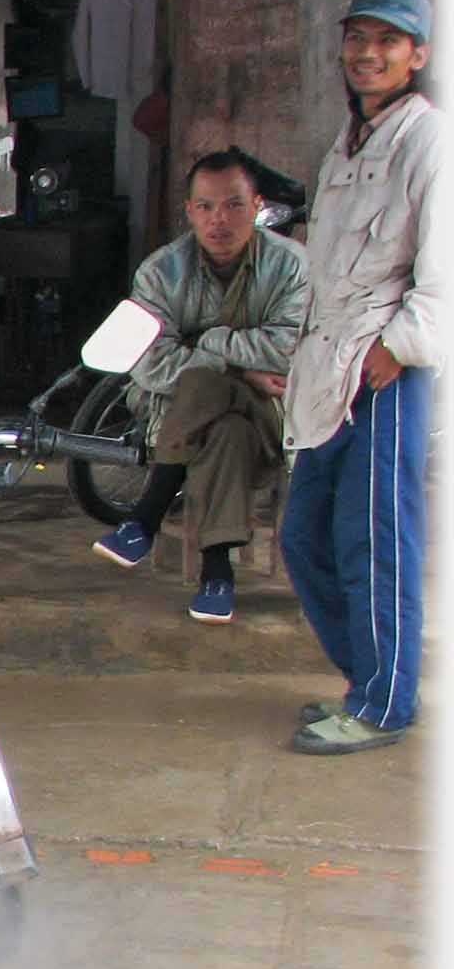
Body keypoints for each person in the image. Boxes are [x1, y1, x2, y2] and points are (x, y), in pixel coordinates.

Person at [280, 0, 441, 755]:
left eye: (388, 41)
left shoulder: (428, 141)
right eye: (358, 38)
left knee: (372, 541)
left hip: (385, 370)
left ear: (419, 56)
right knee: (305, 534)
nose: (368, 53)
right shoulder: (346, 144)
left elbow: (439, 273)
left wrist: (397, 348)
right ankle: (373, 679)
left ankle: (383, 704)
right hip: (328, 369)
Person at [89, 150, 310, 622]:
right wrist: (241, 369)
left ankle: (144, 518)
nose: (219, 221)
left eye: (233, 205)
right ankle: (217, 574)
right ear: (189, 211)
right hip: (186, 413)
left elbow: (289, 346)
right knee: (223, 425)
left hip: (272, 412)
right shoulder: (160, 272)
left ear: (257, 206)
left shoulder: (291, 265)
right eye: (205, 207)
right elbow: (148, 362)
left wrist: (208, 342)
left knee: (205, 379)